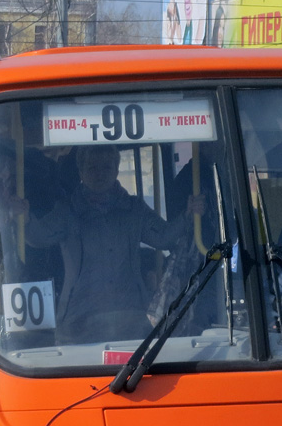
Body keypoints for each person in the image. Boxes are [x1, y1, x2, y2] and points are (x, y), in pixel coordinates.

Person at [27, 145, 204, 343]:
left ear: (116, 171)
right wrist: (22, 217)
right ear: (81, 172)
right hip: (79, 318)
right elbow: (38, 237)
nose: (99, 174)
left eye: (106, 168)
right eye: (92, 168)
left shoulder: (134, 209)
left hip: (130, 315)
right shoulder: (67, 211)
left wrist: (188, 215)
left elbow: (164, 237)